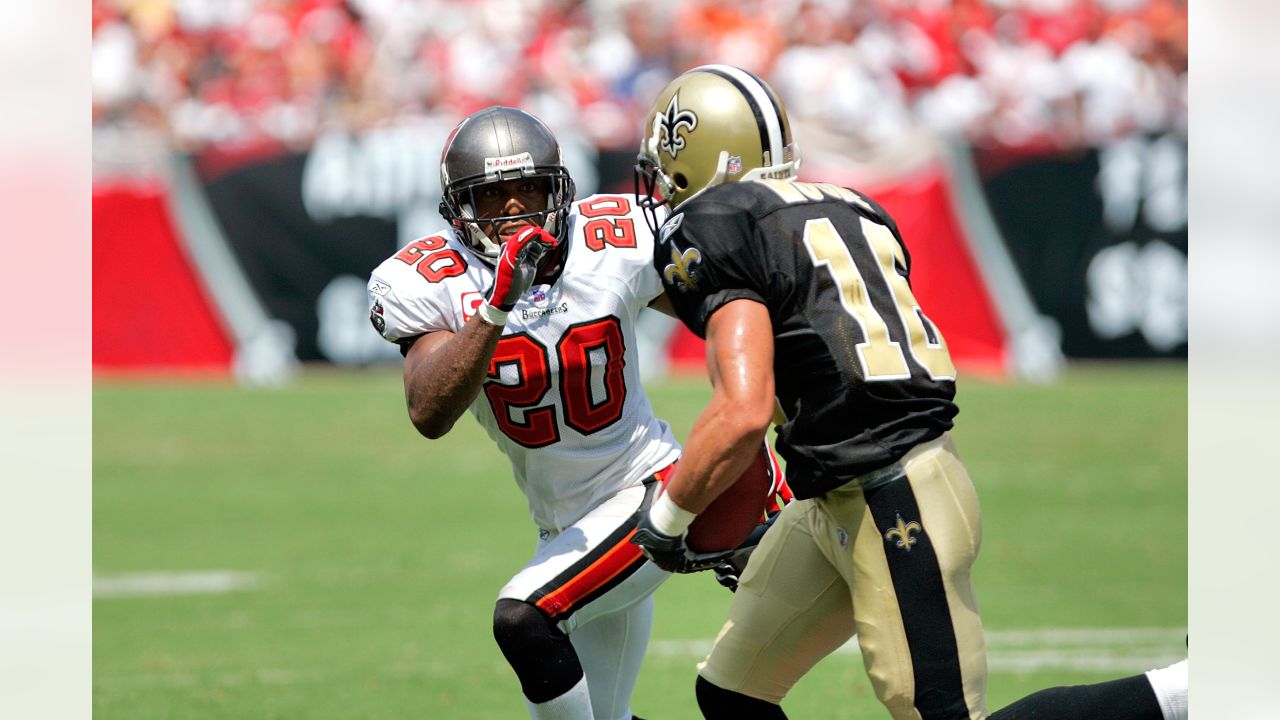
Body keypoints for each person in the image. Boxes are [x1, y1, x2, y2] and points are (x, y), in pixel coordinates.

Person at [629, 65, 1187, 720]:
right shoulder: (850, 204)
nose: (660, 186)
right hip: (841, 490)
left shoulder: (717, 223)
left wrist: (667, 521)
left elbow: (742, 409)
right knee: (730, 692)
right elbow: (815, 368)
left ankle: (1186, 693)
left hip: (894, 492)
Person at [367, 105, 785, 720]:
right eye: (494, 196)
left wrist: (749, 458)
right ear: (458, 209)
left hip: (648, 489)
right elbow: (429, 409)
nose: (515, 209)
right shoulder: (429, 279)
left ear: (559, 186)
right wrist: (496, 305)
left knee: (524, 619)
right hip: (564, 526)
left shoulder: (612, 241)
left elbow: (728, 321)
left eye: (529, 189)